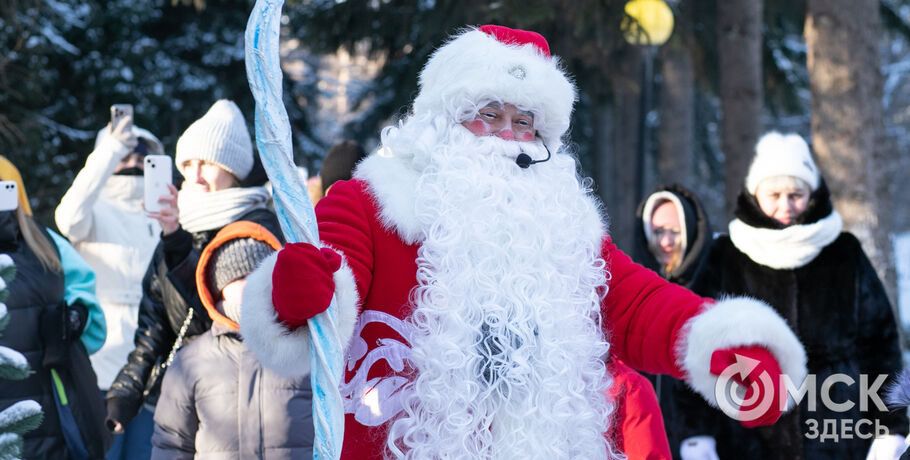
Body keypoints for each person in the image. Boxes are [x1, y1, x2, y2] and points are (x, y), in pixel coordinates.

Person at [241, 25, 807, 459]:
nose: (509, 137)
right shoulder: (369, 203)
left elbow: (637, 305)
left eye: (526, 122)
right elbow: (322, 293)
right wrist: (300, 293)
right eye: (490, 115)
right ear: (443, 119)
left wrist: (720, 348)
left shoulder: (561, 226)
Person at [687, 132, 908, 459]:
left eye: (796, 194)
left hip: (838, 427)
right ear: (754, 193)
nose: (785, 205)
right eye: (774, 194)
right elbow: (696, 346)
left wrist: (890, 426)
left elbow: (881, 345)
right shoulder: (726, 255)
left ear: (812, 194)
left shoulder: (844, 252)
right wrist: (696, 432)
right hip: (747, 431)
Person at [104, 100, 284, 437]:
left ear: (235, 170)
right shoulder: (181, 223)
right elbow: (154, 326)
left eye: (208, 163)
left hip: (242, 402)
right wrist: (124, 393)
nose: (196, 174)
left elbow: (210, 318)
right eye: (188, 163)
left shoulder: (256, 229)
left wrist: (176, 242)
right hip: (183, 399)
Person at [150, 220, 313, 459]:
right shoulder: (192, 361)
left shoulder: (303, 349)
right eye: (238, 278)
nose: (249, 285)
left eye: (258, 276)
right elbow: (171, 443)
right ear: (219, 287)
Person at [55, 113, 164, 460]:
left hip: (151, 359)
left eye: (140, 154)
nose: (131, 161)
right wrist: (112, 148)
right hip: (102, 359)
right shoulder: (93, 209)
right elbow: (68, 217)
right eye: (123, 154)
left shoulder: (164, 213)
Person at [0, 156, 110, 459]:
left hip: (48, 418)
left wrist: (75, 318)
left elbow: (93, 326)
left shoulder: (45, 244)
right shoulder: (46, 244)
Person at [633, 185, 715, 458]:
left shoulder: (712, 284)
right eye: (658, 232)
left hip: (700, 440)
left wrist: (702, 434)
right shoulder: (634, 289)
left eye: (674, 231)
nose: (666, 241)